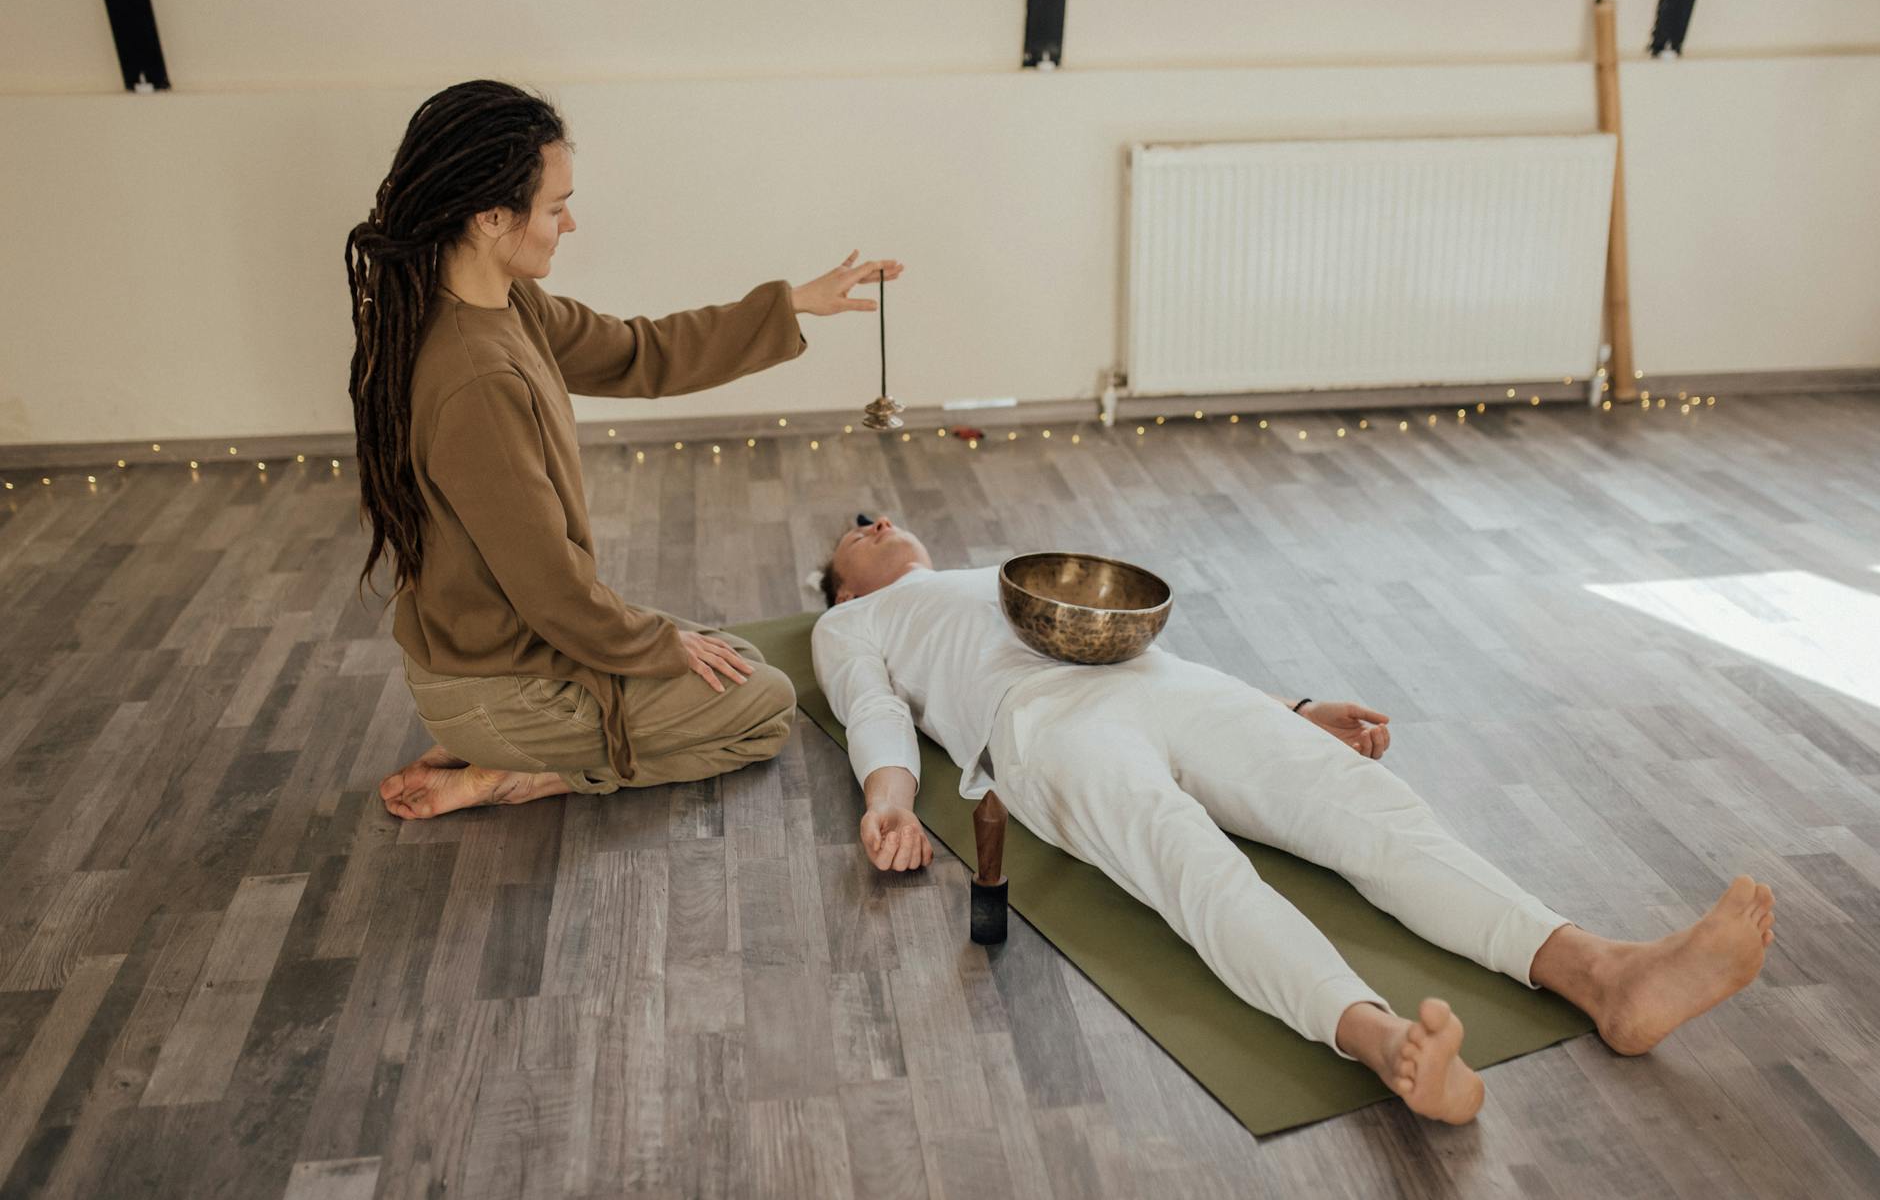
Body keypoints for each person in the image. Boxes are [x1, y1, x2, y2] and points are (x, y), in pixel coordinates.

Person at [810, 516, 1776, 1124]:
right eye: (853, 531)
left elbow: (1153, 647)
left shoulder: (1002, 568)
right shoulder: (852, 622)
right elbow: (873, 708)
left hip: (1165, 684)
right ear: (845, 586)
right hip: (1045, 731)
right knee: (1194, 869)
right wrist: (891, 800)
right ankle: (1378, 1040)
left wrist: (1293, 711)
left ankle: (1606, 974)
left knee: (1367, 807)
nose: (875, 519)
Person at [348, 79, 903, 820]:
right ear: (489, 215)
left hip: (501, 651)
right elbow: (552, 591)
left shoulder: (505, 304)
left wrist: (793, 302)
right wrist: (658, 644)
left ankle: (517, 753)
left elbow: (641, 351)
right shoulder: (475, 380)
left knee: (747, 661)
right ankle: (519, 772)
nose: (569, 223)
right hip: (501, 684)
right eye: (554, 206)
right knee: (767, 707)